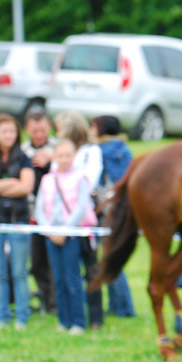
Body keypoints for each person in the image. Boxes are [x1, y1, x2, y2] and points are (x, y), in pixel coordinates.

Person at [35, 139, 97, 334]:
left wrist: (65, 230)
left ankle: (78, 321)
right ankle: (64, 320)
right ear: (55, 157)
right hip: (51, 234)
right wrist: (49, 230)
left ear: (73, 156)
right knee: (59, 279)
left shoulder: (80, 178)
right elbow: (40, 208)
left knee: (73, 278)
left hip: (71, 235)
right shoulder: (48, 179)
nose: (64, 159)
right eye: (60, 155)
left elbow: (81, 207)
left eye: (68, 155)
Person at [53, 111, 104, 329]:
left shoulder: (91, 152)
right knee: (68, 272)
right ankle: (70, 314)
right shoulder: (60, 152)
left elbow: (88, 181)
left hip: (85, 220)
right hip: (62, 220)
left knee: (91, 268)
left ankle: (95, 318)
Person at [90, 115, 136, 317]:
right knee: (115, 256)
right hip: (125, 210)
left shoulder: (99, 151)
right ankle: (120, 306)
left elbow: (100, 183)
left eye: (94, 127)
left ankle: (123, 307)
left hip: (109, 212)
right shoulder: (124, 149)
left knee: (110, 258)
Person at [0, 113, 35, 330]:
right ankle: (3, 316)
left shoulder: (23, 157)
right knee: (0, 273)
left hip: (18, 220)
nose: (9, 135)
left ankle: (22, 316)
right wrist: (13, 182)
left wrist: (6, 185)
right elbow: (19, 185)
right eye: (4, 131)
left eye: (12, 131)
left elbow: (26, 187)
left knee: (19, 271)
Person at [21, 111, 58, 314]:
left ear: (49, 127)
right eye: (34, 130)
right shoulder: (21, 150)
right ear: (27, 129)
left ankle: (56, 303)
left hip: (55, 216)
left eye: (42, 129)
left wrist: (52, 161)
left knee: (55, 261)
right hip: (31, 215)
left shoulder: (58, 148)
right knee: (37, 262)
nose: (39, 134)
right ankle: (46, 299)